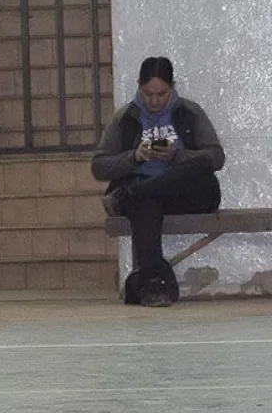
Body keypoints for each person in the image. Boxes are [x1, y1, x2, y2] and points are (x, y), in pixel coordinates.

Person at [92, 56, 224, 307]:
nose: (154, 101)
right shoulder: (125, 118)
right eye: (147, 94)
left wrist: (177, 155)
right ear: (138, 87)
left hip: (187, 192)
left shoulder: (191, 112)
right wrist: (134, 157)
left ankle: (131, 193)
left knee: (194, 168)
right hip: (146, 196)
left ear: (172, 87)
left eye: (161, 94)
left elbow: (216, 158)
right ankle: (152, 283)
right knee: (146, 202)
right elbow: (99, 166)